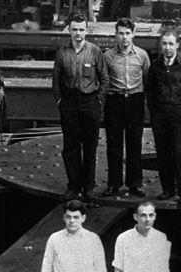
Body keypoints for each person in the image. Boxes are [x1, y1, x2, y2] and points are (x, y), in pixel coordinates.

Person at [145, 29, 181, 206]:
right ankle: (168, 190)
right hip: (160, 116)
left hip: (179, 115)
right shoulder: (155, 66)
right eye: (164, 43)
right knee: (162, 154)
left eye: (171, 43)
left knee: (178, 154)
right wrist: (154, 110)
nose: (167, 47)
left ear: (177, 45)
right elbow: (150, 90)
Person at [52, 14, 107, 201]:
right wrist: (60, 101)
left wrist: (98, 101)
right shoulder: (61, 53)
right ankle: (74, 186)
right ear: (69, 30)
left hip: (89, 102)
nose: (78, 33)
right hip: (69, 103)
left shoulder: (95, 51)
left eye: (81, 29)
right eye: (74, 29)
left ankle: (89, 187)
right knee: (71, 147)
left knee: (90, 147)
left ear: (87, 30)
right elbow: (56, 81)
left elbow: (104, 79)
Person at [102, 18, 150, 197]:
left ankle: (134, 184)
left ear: (133, 34)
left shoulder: (142, 56)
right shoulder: (107, 56)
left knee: (134, 144)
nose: (124, 37)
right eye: (121, 33)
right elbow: (104, 81)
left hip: (135, 101)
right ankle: (114, 184)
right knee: (114, 145)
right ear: (116, 35)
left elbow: (147, 80)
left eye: (128, 33)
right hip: (114, 101)